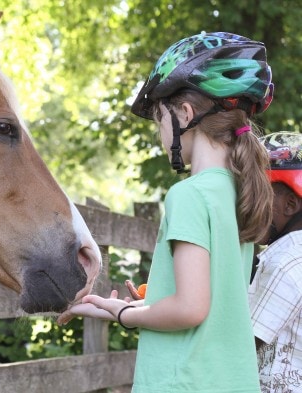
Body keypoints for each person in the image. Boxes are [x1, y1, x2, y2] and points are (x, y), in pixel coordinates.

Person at [70, 32, 274, 392]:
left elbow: (190, 309)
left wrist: (124, 313)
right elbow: (214, 303)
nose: (160, 133)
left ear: (184, 113)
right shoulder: (239, 192)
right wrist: (146, 303)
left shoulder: (189, 195)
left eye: (159, 119)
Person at [249, 131, 302, 393]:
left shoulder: (286, 262)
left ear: (290, 205)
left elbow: (244, 344)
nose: (247, 207)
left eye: (259, 197)